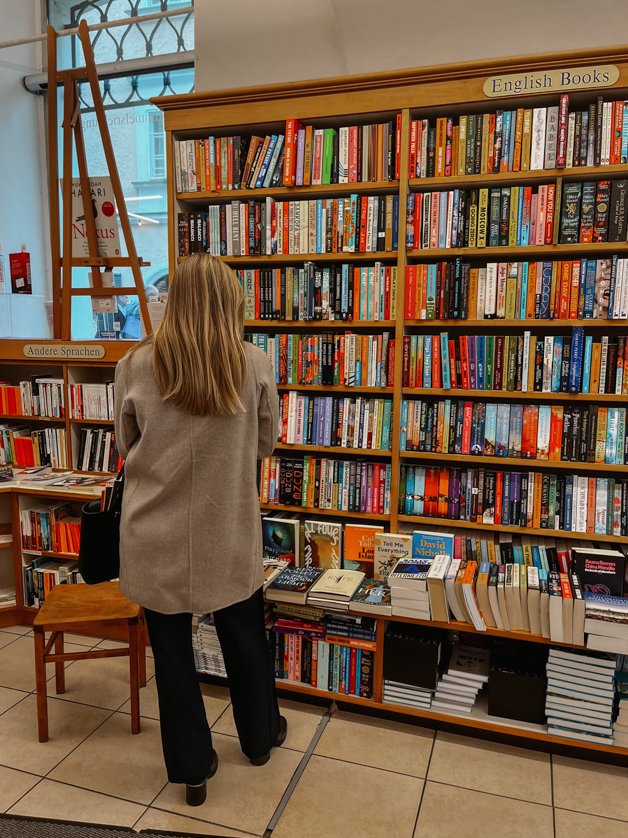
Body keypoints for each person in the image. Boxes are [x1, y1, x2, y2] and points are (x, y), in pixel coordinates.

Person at [114, 253, 286, 807]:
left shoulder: (136, 365)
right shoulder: (254, 363)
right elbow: (265, 444)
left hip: (152, 532)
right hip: (226, 527)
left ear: (175, 300)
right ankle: (259, 740)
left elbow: (125, 446)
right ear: (230, 301)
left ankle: (192, 768)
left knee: (170, 652)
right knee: (244, 637)